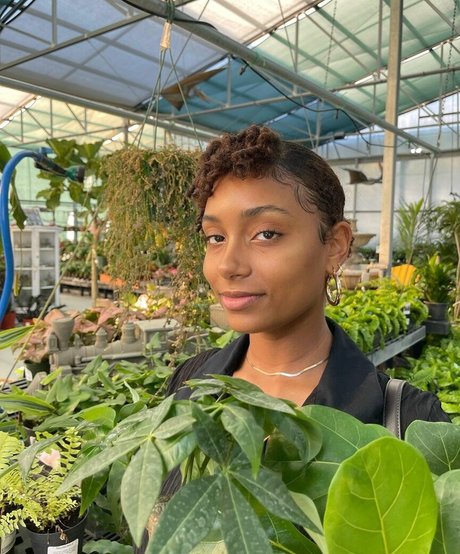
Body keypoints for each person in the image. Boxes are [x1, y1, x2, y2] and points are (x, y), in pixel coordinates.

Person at [166, 124, 449, 431]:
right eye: (216, 237)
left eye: (266, 234)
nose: (227, 265)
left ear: (335, 246)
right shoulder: (189, 382)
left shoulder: (410, 423)